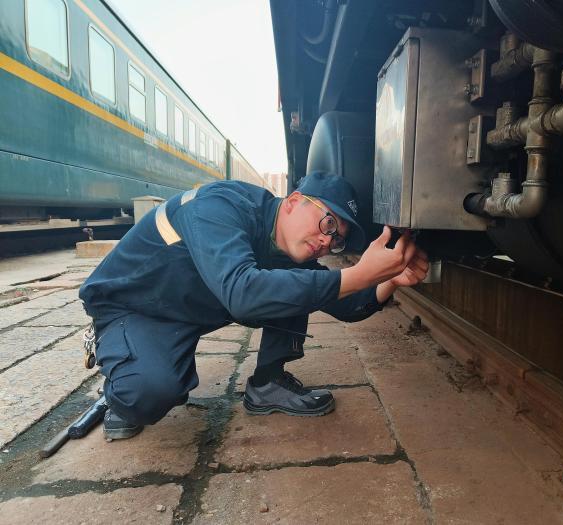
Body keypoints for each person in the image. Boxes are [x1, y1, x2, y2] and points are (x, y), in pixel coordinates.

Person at [79, 171, 428, 440]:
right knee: (149, 393)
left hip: (189, 309)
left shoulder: (287, 244)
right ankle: (118, 375)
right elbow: (243, 294)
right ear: (293, 202)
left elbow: (348, 304)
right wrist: (359, 274)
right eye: (328, 223)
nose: (327, 241)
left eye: (337, 240)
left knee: (295, 284)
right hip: (136, 307)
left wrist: (391, 280)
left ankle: (268, 384)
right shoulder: (217, 206)